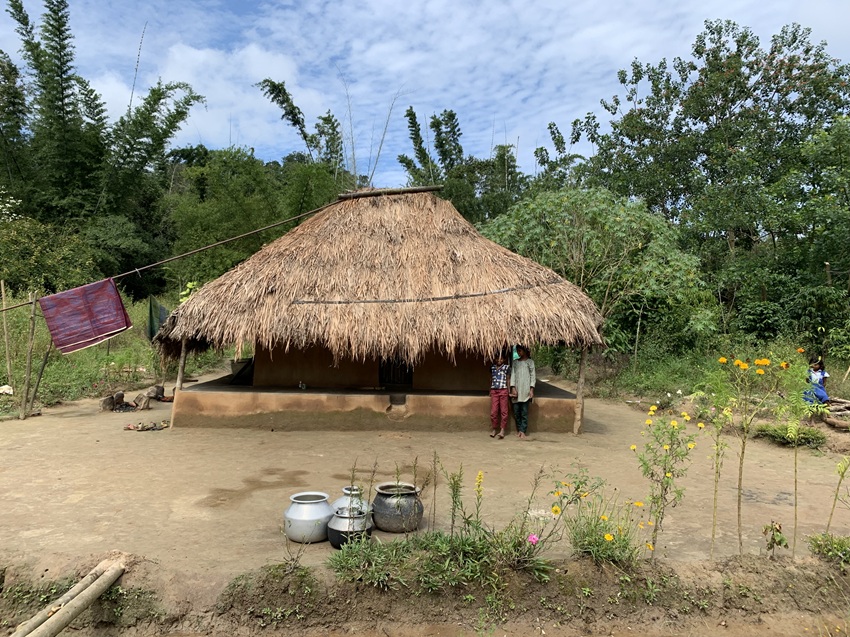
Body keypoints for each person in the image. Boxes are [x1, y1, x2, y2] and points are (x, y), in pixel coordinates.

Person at [510, 344, 536, 439]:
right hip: (516, 390)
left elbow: (533, 376)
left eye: (520, 351)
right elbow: (513, 375)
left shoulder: (530, 362)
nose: (518, 353)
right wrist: (513, 388)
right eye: (517, 351)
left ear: (525, 351)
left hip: (525, 391)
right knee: (517, 412)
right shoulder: (515, 363)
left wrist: (531, 389)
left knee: (524, 412)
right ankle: (519, 429)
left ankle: (523, 431)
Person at [489, 350, 511, 439]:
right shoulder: (492, 367)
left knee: (504, 411)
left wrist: (509, 391)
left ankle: (502, 430)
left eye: (501, 359)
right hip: (494, 391)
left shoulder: (507, 368)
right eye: (497, 358)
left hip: (503, 391)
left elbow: (508, 380)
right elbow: (490, 379)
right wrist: (490, 390)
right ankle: (494, 429)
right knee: (494, 412)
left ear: (504, 359)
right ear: (494, 359)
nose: (499, 360)